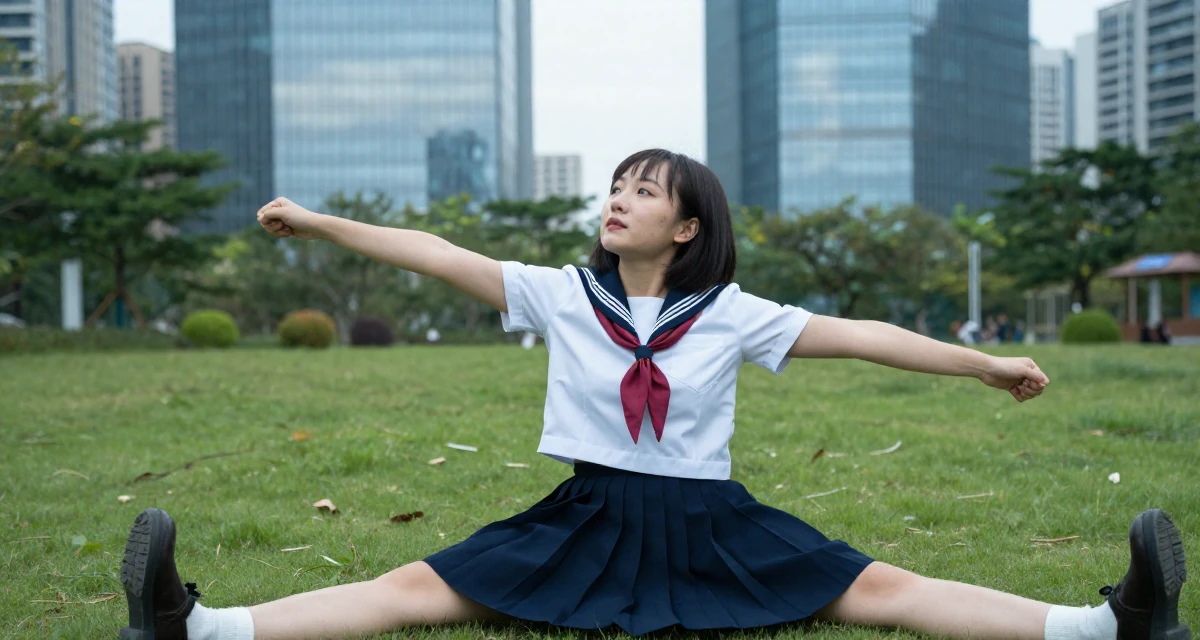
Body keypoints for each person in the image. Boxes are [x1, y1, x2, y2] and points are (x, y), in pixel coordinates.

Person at [117, 149, 1188, 640]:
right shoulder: (558, 293)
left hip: (710, 520)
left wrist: (988, 361)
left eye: (643, 193)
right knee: (415, 586)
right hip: (584, 513)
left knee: (879, 590)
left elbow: (864, 338)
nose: (616, 203)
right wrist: (317, 220)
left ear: (688, 225)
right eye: (614, 189)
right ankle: (197, 623)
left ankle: (1108, 623)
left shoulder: (729, 312)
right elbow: (434, 252)